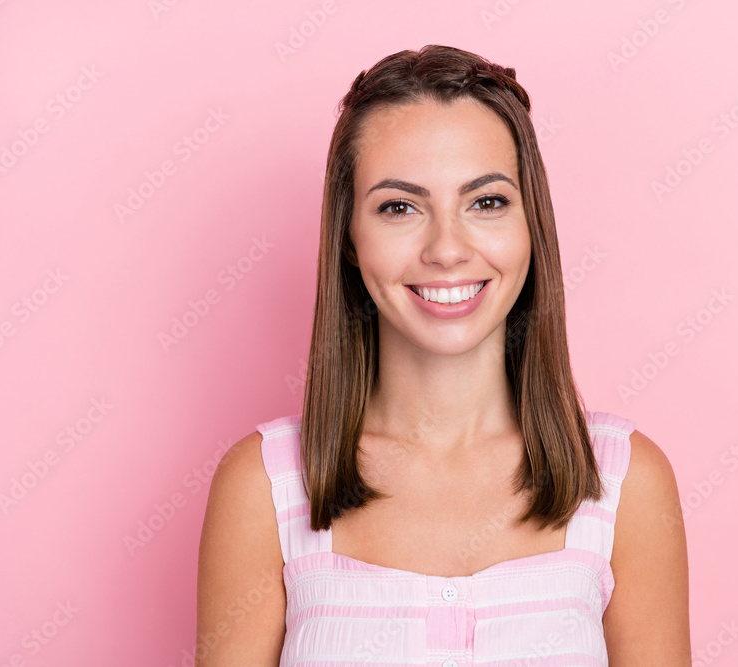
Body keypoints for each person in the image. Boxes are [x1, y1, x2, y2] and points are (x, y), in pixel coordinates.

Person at [196, 44, 690, 666]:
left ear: (531, 224)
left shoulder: (623, 482)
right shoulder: (264, 486)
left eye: (486, 202)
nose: (447, 248)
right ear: (349, 237)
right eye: (399, 207)